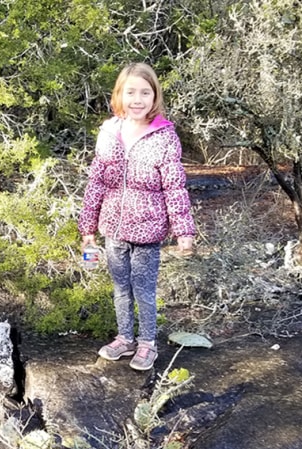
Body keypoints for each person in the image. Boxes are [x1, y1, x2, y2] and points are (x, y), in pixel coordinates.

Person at [78, 62, 195, 371]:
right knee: (120, 288)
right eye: (131, 92)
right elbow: (96, 182)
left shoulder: (164, 137)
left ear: (154, 96)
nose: (138, 99)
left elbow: (174, 185)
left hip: (147, 232)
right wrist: (88, 226)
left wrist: (184, 231)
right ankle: (125, 338)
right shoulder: (108, 133)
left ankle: (147, 343)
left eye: (145, 92)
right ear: (119, 95)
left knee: (143, 289)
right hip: (113, 229)